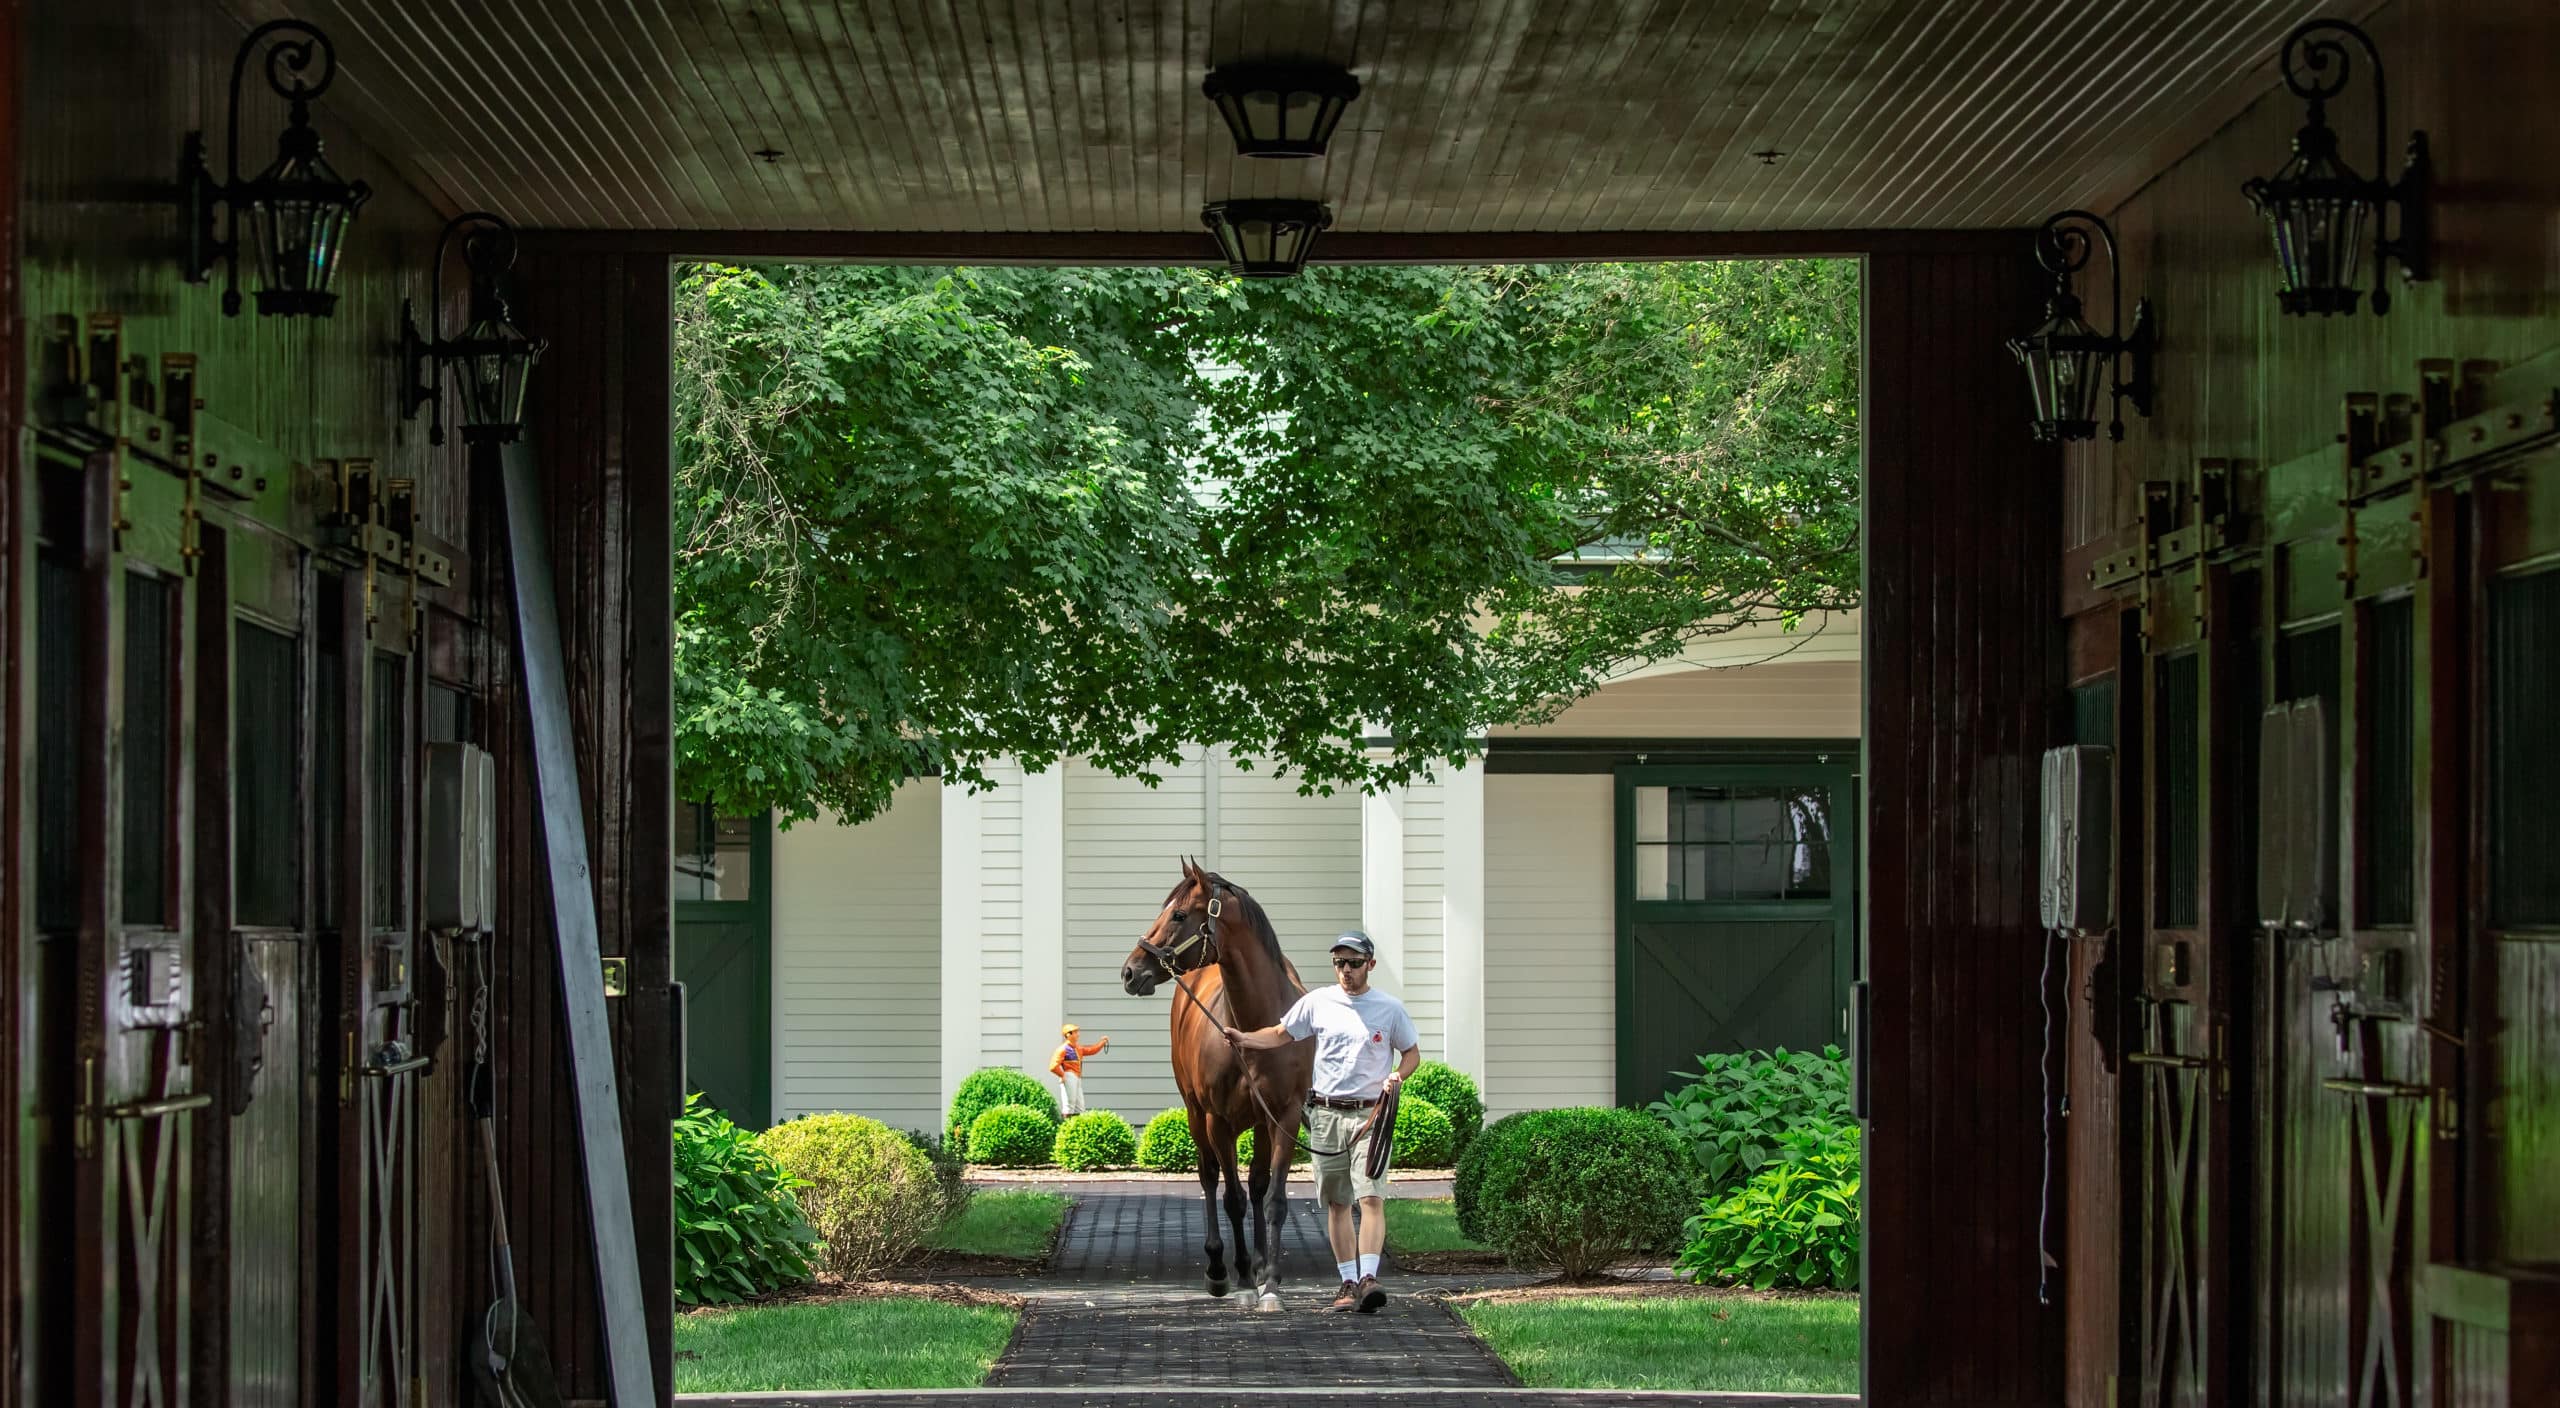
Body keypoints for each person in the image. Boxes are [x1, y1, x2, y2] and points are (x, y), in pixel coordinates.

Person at [1222, 930, 1419, 1314]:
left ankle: (1369, 1277)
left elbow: (1411, 1053)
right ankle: (1347, 1283)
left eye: (1354, 963)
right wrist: (1244, 1039)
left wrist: (1398, 1075)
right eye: (1339, 963)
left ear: (1370, 965)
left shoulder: (1389, 1008)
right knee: (1337, 1202)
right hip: (1326, 1113)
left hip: (1370, 1113)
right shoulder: (1317, 1003)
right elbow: (1280, 1034)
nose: (1346, 970)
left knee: (1371, 1196)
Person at [1048, 1023, 1109, 1116]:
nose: (1078, 1034)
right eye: (1075, 1032)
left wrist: (1102, 1043)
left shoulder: (1078, 1048)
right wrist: (1062, 1075)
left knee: (1080, 1106)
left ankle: (1076, 1126)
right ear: (1068, 1034)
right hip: (1069, 1075)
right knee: (1069, 1104)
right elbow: (1053, 1066)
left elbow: (1091, 1050)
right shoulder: (1062, 1049)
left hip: (1077, 1077)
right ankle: (1066, 1127)